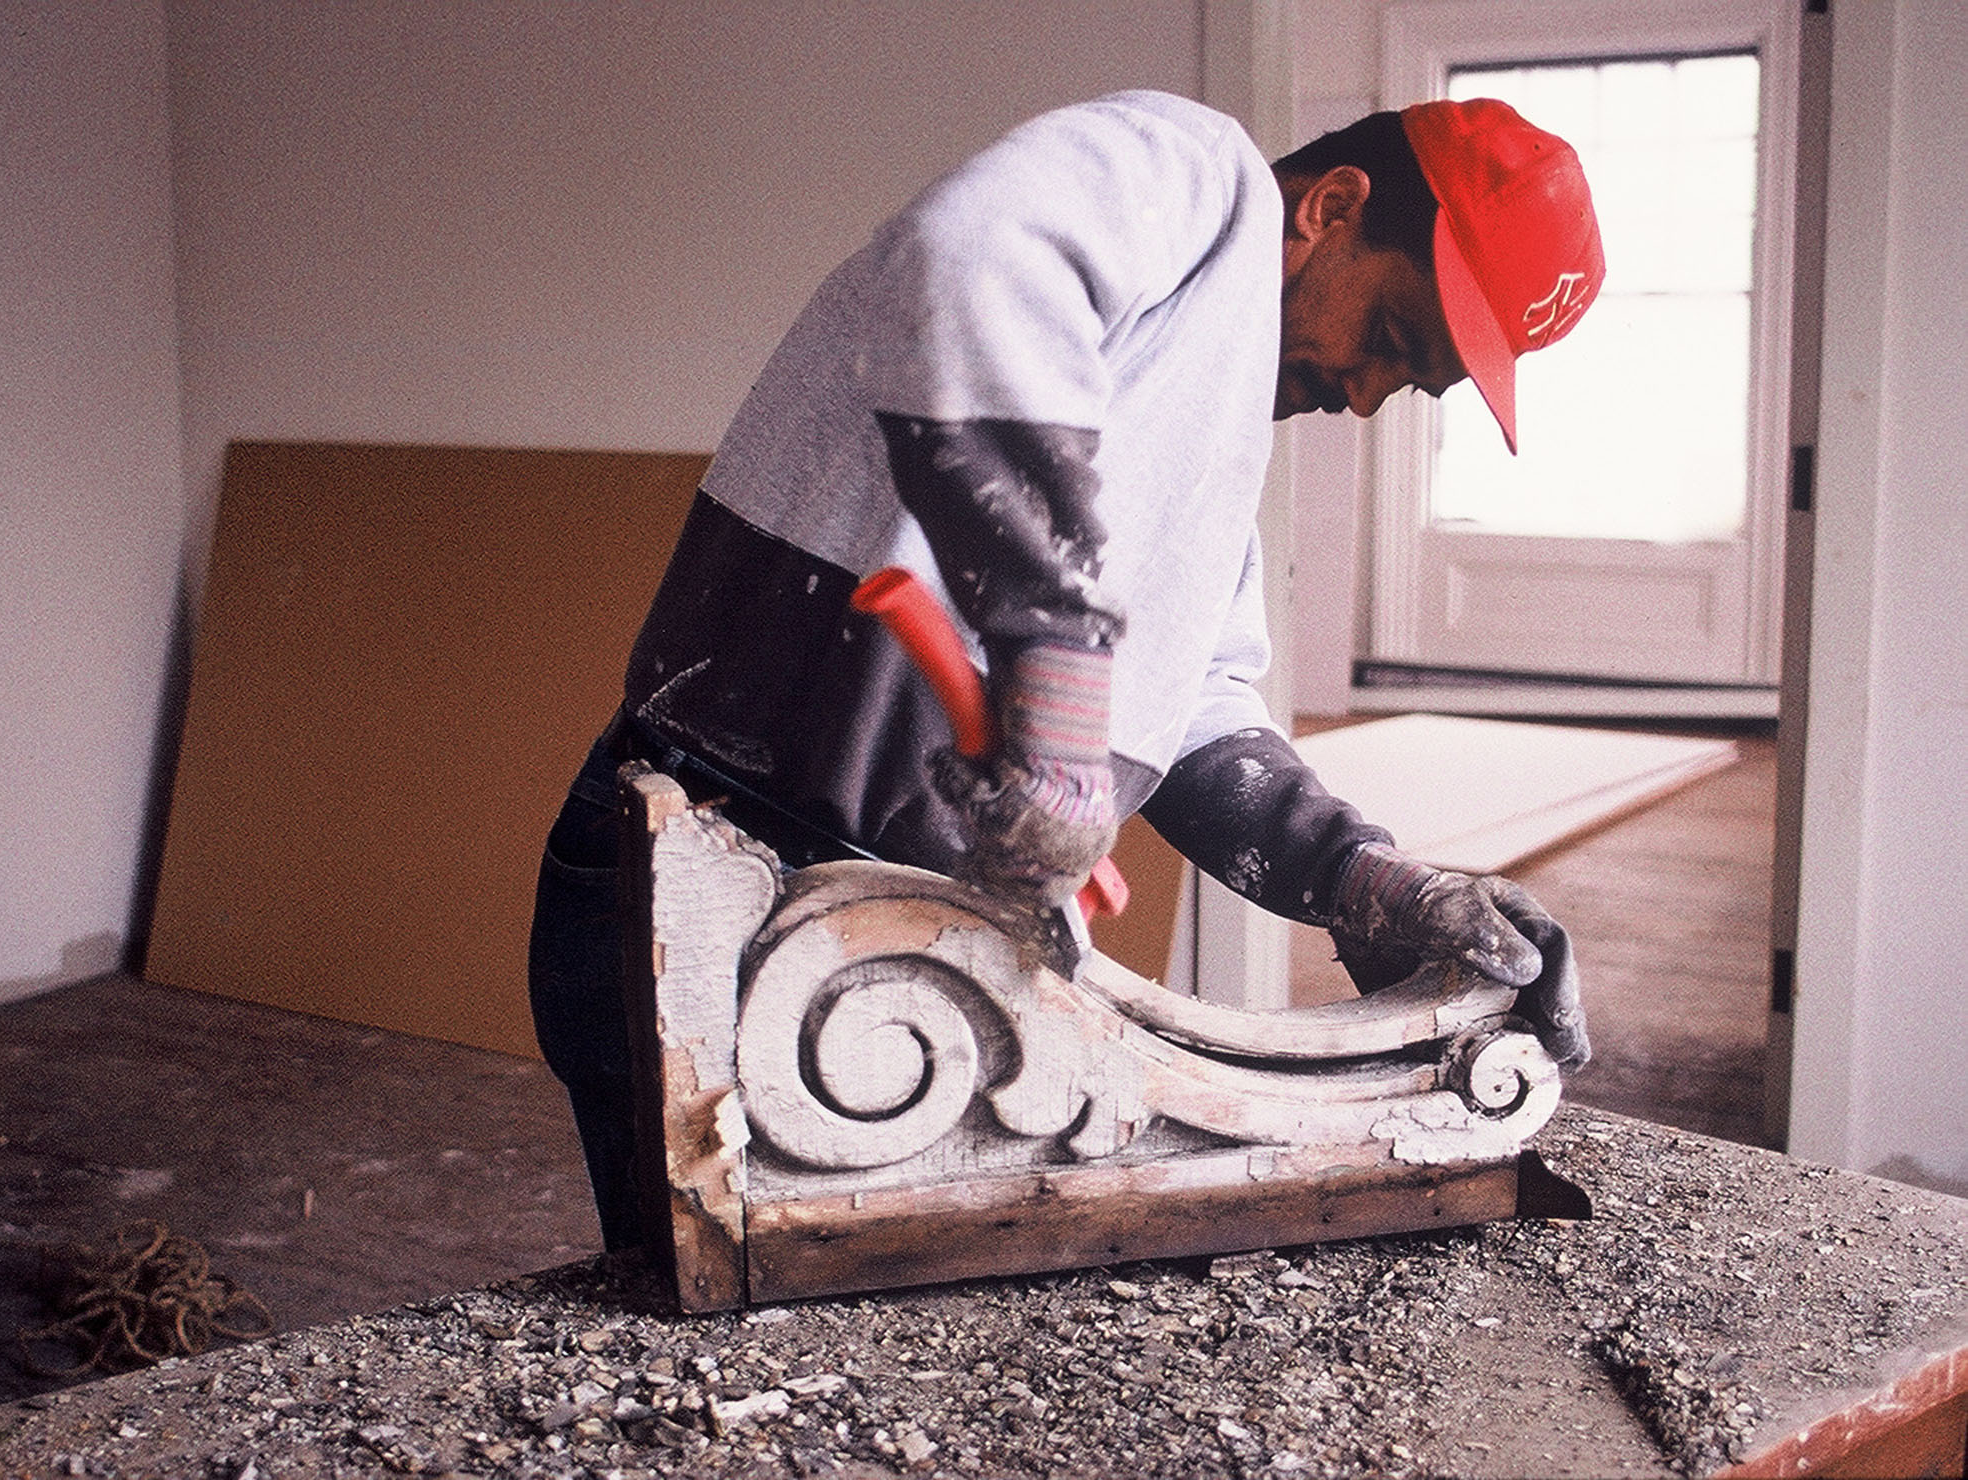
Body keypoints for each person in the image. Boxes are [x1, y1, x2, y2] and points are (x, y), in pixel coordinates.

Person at [530, 90, 1604, 1249]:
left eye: (1407, 383)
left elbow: (1191, 712)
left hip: (911, 941)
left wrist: (1361, 877)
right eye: (1389, 340)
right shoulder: (1196, 175)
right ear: (1331, 208)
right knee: (714, 1319)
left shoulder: (1205, 443)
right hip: (715, 867)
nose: (1359, 393)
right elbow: (971, 254)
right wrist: (1055, 651)